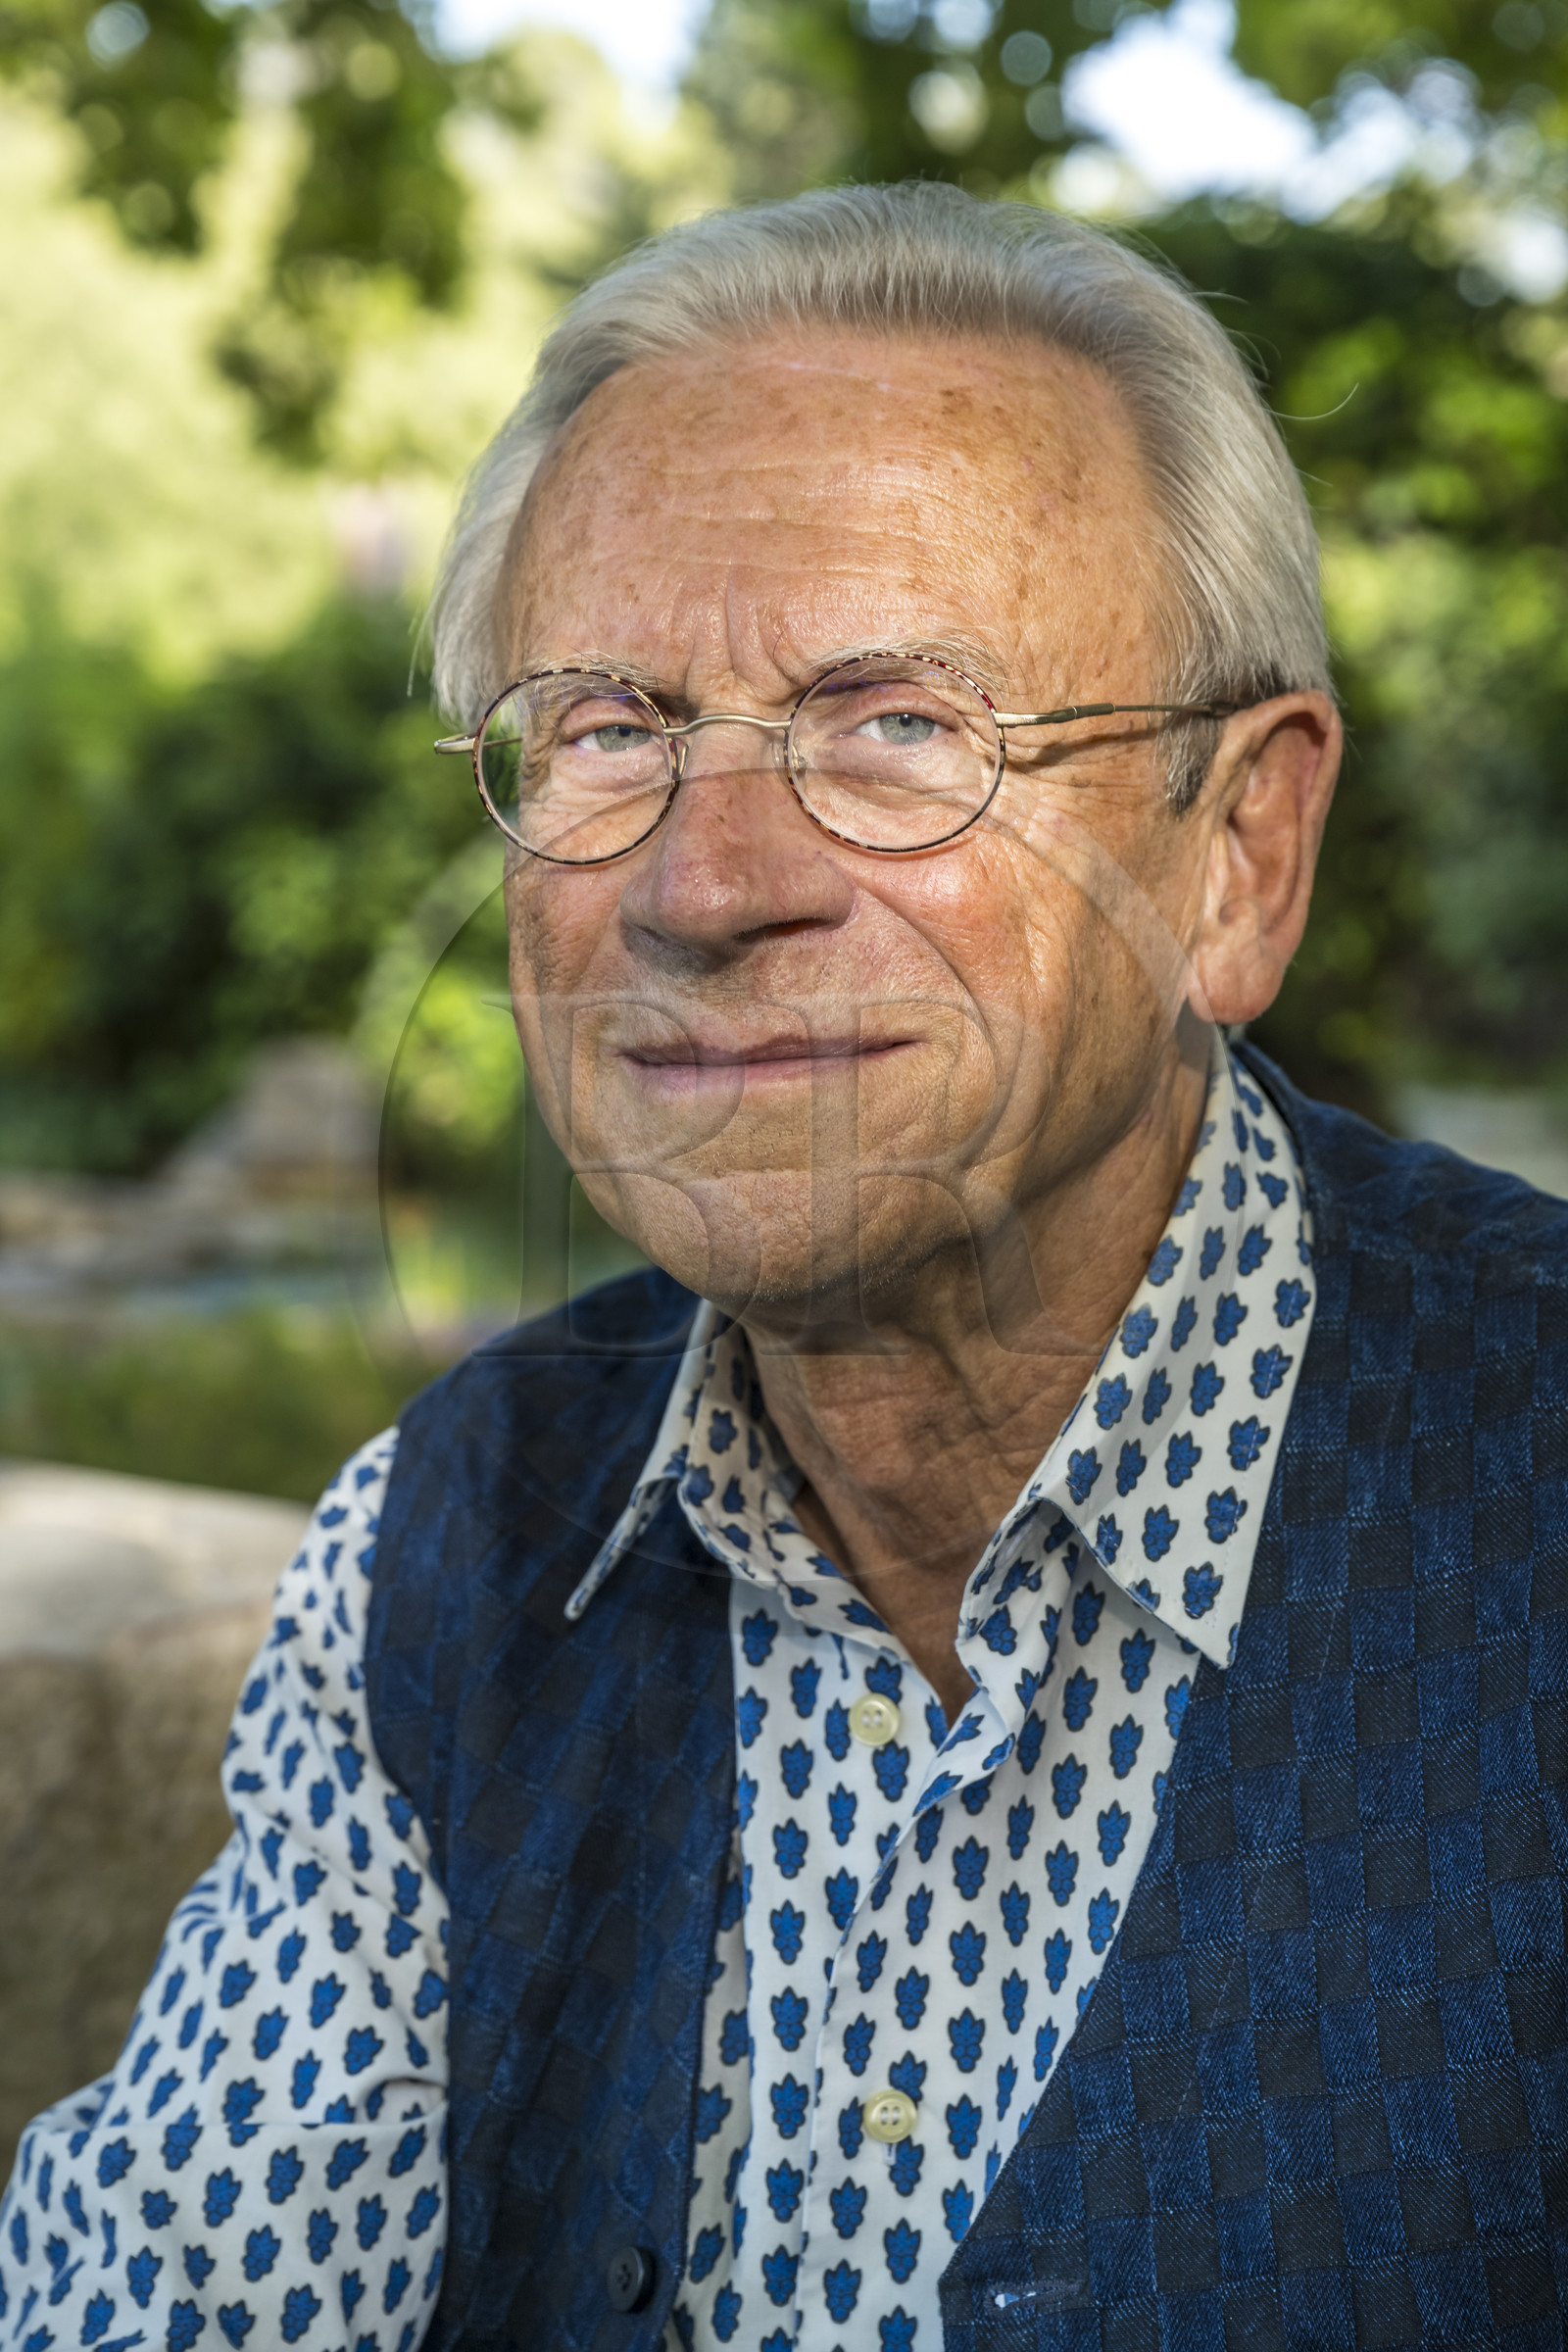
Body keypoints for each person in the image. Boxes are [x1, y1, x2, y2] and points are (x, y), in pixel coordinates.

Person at [3, 180, 1564, 2352]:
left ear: (1236, 855)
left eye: (898, 727)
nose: (704, 883)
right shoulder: (438, 1550)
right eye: (608, 729)